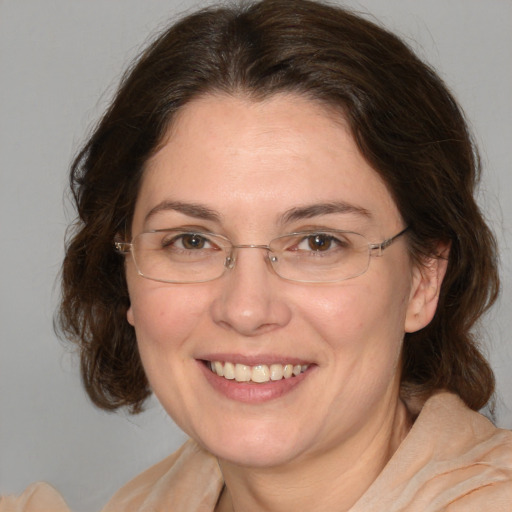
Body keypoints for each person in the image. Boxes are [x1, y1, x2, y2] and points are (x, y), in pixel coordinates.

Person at [2, 0, 511, 510]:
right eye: (191, 241)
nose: (245, 310)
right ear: (124, 268)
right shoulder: (147, 501)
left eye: (318, 242)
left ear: (423, 281)